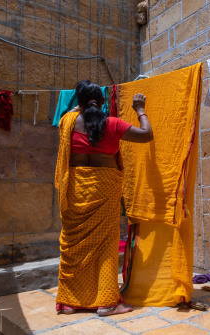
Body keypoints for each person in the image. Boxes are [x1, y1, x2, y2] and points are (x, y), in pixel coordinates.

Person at [54, 80, 153, 316]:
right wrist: (140, 109)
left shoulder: (67, 122)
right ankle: (107, 302)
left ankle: (69, 302)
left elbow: (72, 112)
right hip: (104, 189)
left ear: (78, 102)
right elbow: (147, 134)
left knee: (73, 246)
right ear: (102, 102)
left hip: (76, 189)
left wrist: (78, 107)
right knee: (106, 245)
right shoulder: (113, 124)